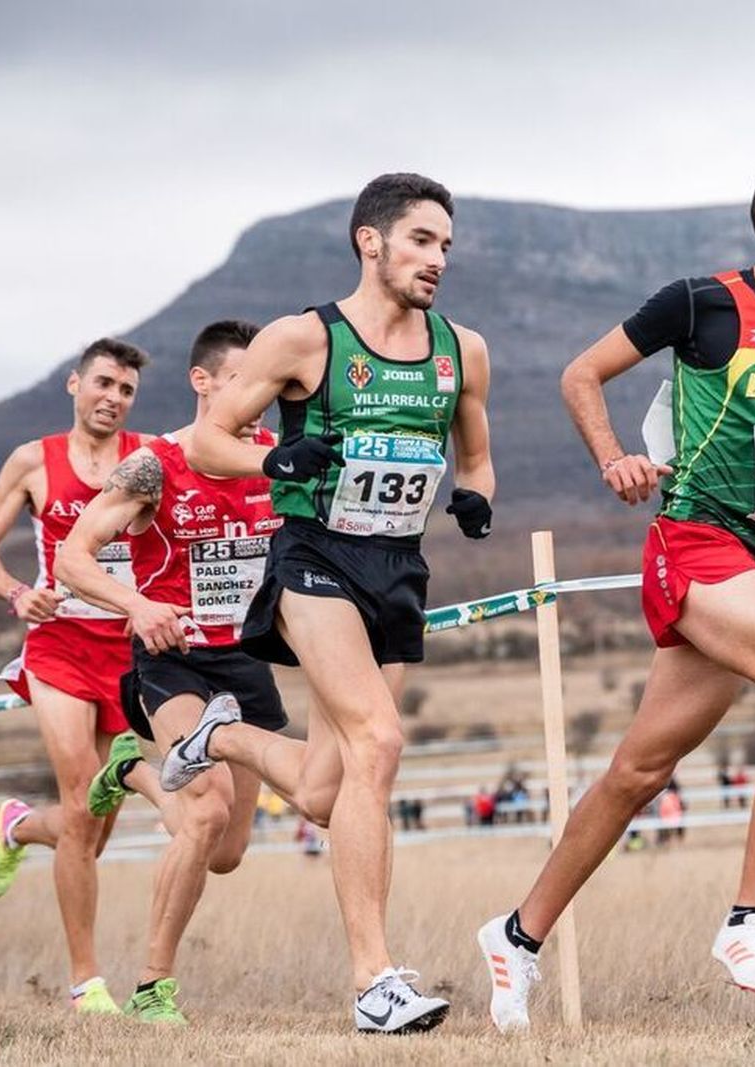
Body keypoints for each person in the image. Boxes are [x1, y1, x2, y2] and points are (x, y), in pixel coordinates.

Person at [477, 151, 755, 1031]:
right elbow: (580, 375)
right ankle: (750, 921)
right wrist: (614, 457)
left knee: (638, 770)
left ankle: (516, 934)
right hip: (693, 542)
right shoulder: (700, 302)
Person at [158, 173, 494, 1034]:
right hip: (315, 560)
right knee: (380, 742)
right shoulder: (306, 339)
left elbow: (477, 456)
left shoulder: (465, 350)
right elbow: (208, 437)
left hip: (398, 571)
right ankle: (375, 982)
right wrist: (274, 464)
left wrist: (474, 497)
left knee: (324, 784)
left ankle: (220, 735)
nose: (438, 259)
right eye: (421, 239)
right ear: (370, 242)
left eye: (446, 245)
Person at [51, 320, 289, 1024]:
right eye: (245, 382)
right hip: (173, 658)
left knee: (228, 850)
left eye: (269, 387)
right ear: (204, 382)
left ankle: (132, 770)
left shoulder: (276, 459)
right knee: (207, 809)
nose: (259, 400)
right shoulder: (154, 465)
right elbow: (72, 557)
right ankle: (154, 986)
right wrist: (136, 602)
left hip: (247, 661)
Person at [0, 336, 150, 1013]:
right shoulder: (33, 460)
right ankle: (85, 980)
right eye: (102, 383)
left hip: (127, 655)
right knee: (79, 800)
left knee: (95, 826)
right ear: (74, 384)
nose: (112, 398)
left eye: (125, 390)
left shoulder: (148, 458)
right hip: (59, 645)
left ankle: (15, 824)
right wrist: (17, 593)